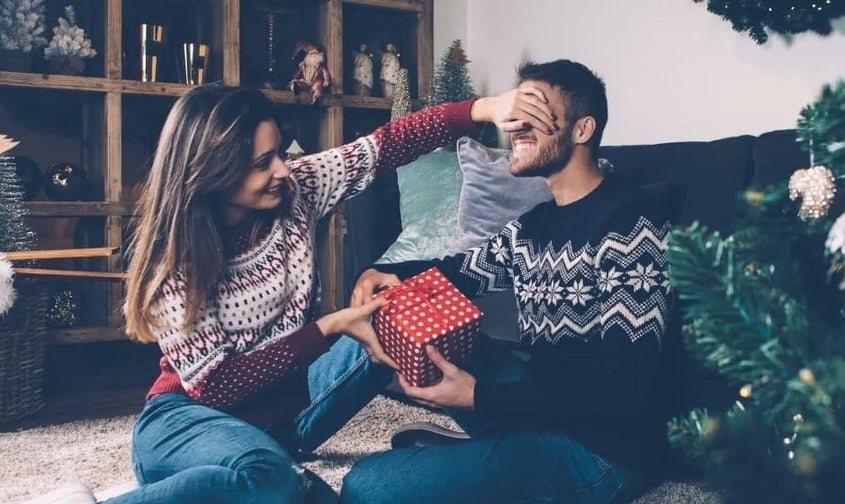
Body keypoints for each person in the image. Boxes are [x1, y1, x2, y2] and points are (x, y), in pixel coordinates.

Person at [26, 82, 556, 504]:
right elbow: (218, 389)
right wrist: (330, 326)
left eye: (277, 152)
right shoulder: (173, 260)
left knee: (393, 314)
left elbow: (385, 146)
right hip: (188, 422)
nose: (282, 169)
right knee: (272, 482)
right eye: (261, 163)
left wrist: (487, 107)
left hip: (285, 420)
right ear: (211, 171)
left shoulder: (294, 191)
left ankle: (517, 442)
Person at [344, 59, 675, 504]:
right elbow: (455, 274)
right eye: (514, 112)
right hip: (539, 410)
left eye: (533, 112)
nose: (514, 126)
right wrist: (380, 275)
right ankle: (282, 442)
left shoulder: (630, 224)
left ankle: (487, 460)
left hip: (601, 451)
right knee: (390, 303)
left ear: (581, 130)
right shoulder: (534, 224)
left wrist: (481, 397)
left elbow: (623, 388)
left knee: (365, 486)